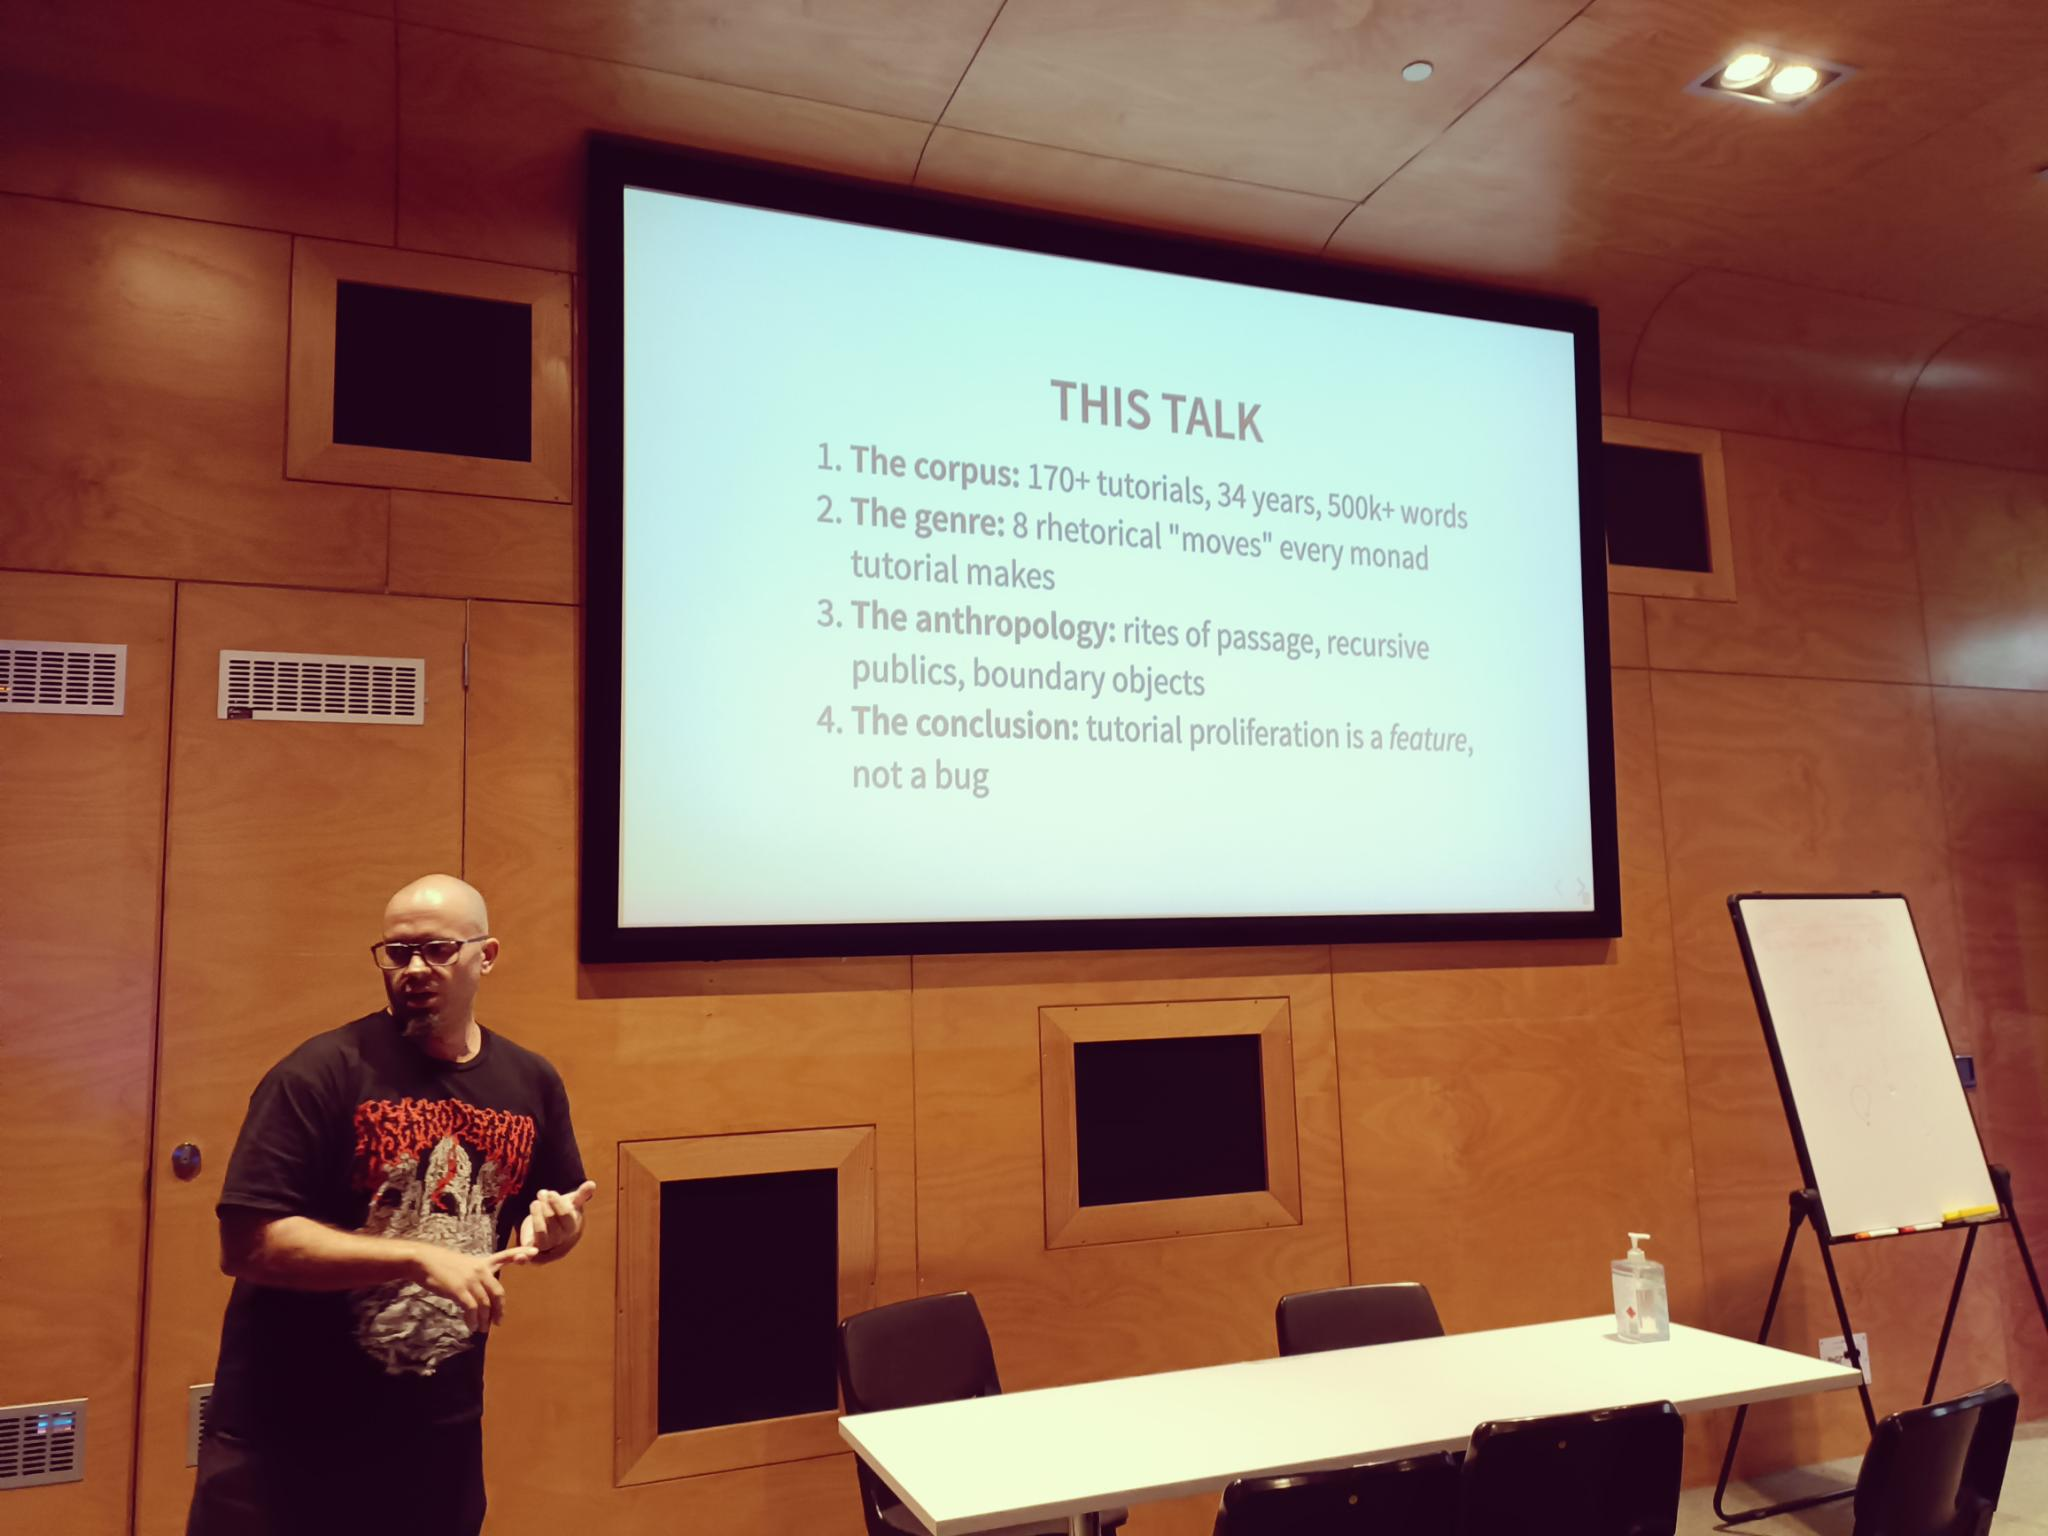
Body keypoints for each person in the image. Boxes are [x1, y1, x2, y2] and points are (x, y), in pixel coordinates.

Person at [187, 874, 595, 1536]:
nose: (414, 969)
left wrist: (557, 1233)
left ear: (486, 956)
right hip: (290, 1436)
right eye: (398, 952)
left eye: (438, 949)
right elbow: (250, 1242)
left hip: (438, 1436)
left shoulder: (529, 1081)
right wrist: (415, 1258)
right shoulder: (320, 1072)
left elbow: (544, 1223)